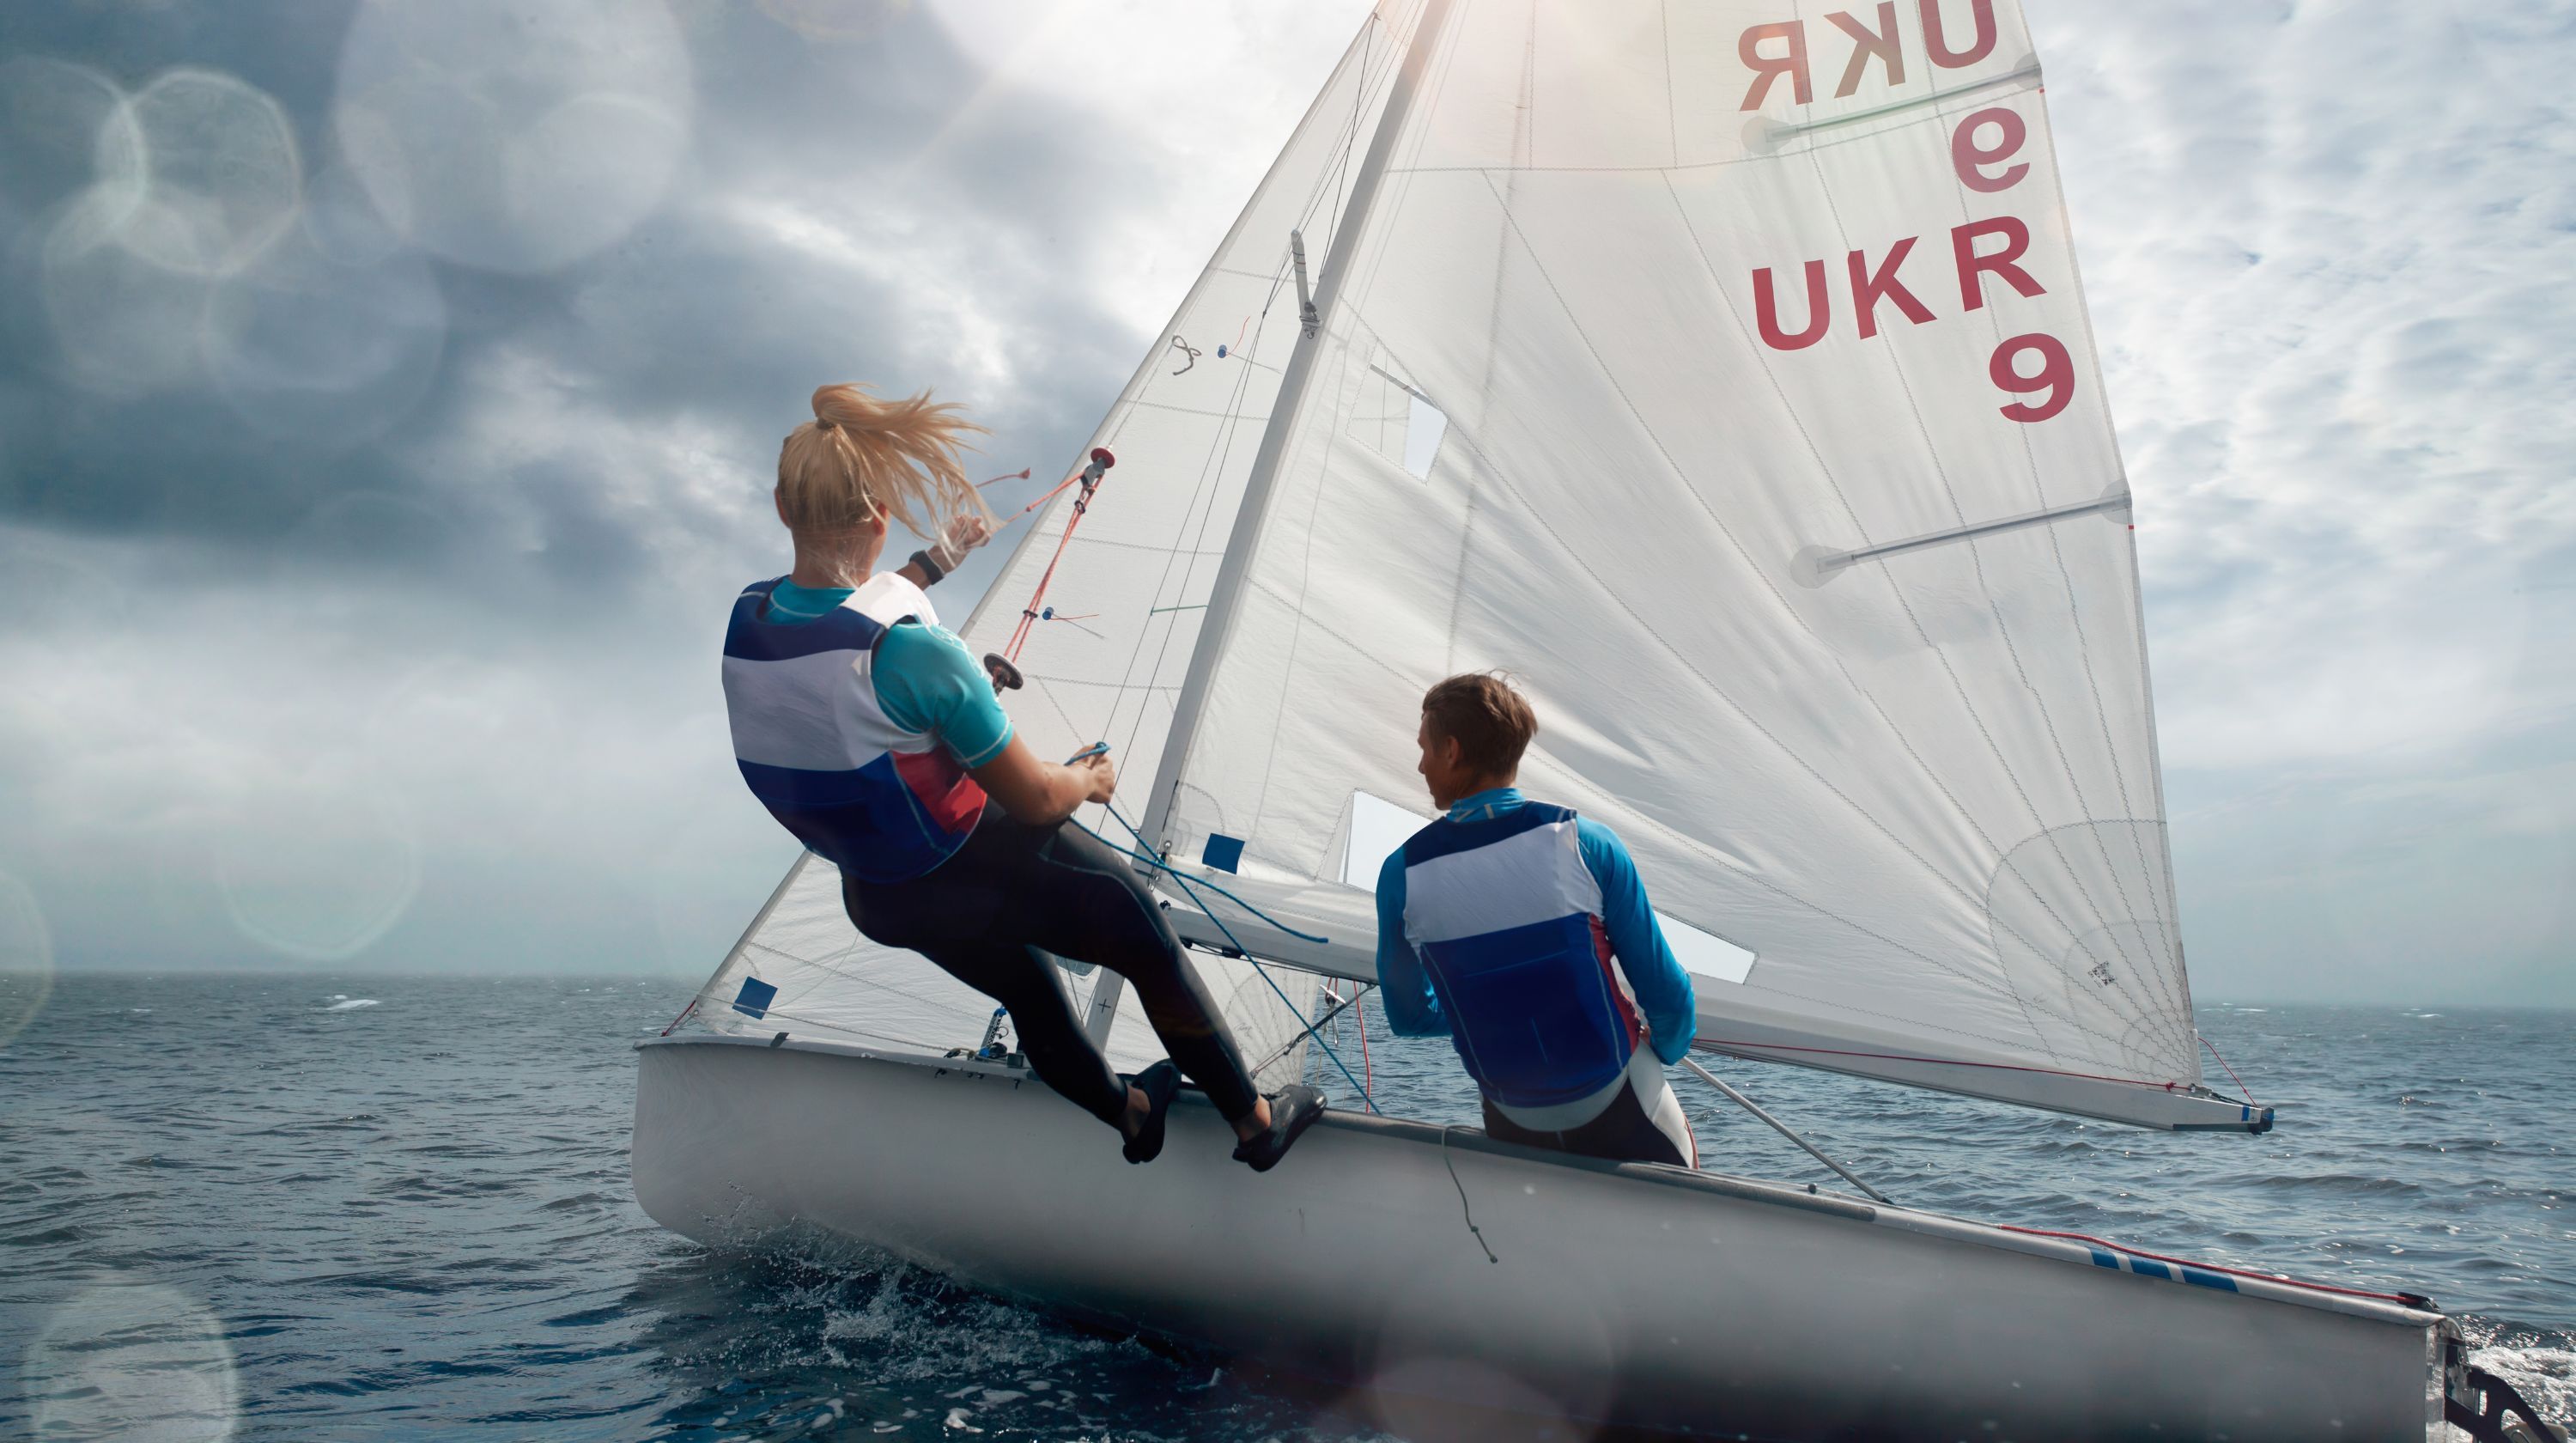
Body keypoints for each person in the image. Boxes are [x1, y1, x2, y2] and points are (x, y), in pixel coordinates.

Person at [720, 382, 1322, 1171]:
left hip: (880, 898)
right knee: (1145, 939)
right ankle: (1256, 1124)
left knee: (1027, 992)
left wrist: (936, 563)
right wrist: (1086, 781)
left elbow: (838, 622)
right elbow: (1036, 800)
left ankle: (1133, 1114)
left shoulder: (752, 617)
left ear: (781, 507)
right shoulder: (921, 656)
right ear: (879, 517)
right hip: (976, 863)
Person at [1374, 673, 1700, 1167]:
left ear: (1452, 751)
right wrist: (1667, 1049)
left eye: (1424, 748)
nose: (1420, 765)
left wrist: (1494, 1009)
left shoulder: (1401, 874)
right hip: (1628, 1109)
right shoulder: (1587, 844)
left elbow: (1409, 1016)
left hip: (1513, 1123)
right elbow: (1669, 999)